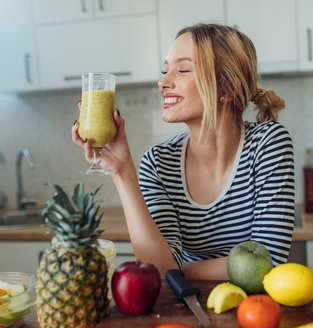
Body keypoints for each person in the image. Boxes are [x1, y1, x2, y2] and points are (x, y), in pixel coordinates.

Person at [72, 23, 295, 280]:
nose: (163, 82)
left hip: (253, 311)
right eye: (165, 70)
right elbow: (158, 270)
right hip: (185, 305)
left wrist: (178, 271)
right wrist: (122, 170)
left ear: (226, 89)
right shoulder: (158, 162)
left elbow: (269, 262)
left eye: (183, 70)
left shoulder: (268, 143)